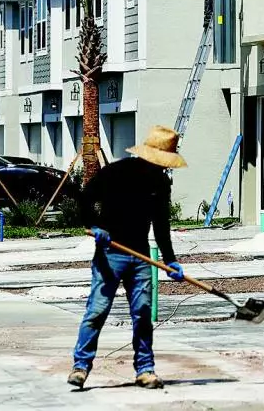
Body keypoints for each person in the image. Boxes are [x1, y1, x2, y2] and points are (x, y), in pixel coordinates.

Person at [68, 125, 188, 390]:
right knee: (97, 311)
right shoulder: (117, 172)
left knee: (143, 313)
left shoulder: (160, 183)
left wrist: (170, 260)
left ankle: (145, 369)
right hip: (110, 253)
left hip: (140, 257)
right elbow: (86, 197)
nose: (163, 167)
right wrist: (94, 224)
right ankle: (81, 366)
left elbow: (161, 225)